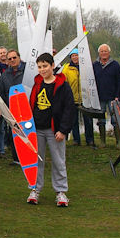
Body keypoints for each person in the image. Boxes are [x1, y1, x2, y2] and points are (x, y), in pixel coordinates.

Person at [26, 53, 75, 207]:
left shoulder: (63, 85)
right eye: (40, 67)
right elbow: (31, 105)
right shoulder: (37, 84)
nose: (42, 69)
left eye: (45, 66)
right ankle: (34, 189)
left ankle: (60, 192)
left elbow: (69, 109)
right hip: (37, 130)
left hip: (55, 131)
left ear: (53, 66)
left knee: (58, 161)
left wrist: (63, 130)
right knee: (35, 161)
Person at [61, 48, 94, 147]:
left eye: (77, 55)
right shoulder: (66, 68)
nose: (75, 57)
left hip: (85, 99)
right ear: (70, 57)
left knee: (88, 120)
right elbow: (64, 82)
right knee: (73, 121)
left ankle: (90, 139)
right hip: (72, 99)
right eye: (73, 56)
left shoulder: (86, 67)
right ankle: (76, 139)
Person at [0, 49, 26, 164]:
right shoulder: (5, 75)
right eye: (10, 59)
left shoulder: (27, 71)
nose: (12, 60)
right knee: (14, 133)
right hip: (11, 109)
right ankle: (16, 158)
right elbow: (1, 92)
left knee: (27, 132)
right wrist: (2, 108)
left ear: (19, 57)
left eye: (14, 58)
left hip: (25, 108)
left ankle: (28, 156)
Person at [93, 43, 120, 147]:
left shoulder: (115, 65)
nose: (104, 53)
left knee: (115, 119)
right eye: (102, 51)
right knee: (101, 120)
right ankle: (102, 142)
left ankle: (118, 142)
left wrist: (117, 95)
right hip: (100, 97)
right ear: (99, 53)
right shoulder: (95, 65)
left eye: (105, 51)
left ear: (109, 52)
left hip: (112, 97)